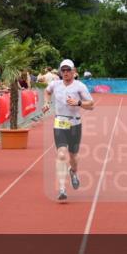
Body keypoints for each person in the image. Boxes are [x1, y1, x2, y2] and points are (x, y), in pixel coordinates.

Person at [42, 59, 95, 203]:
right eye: (63, 70)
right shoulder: (55, 84)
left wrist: (78, 103)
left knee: (73, 157)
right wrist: (46, 103)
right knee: (61, 154)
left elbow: (91, 105)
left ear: (73, 71)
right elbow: (47, 91)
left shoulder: (80, 86)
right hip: (59, 122)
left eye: (68, 70)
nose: (65, 73)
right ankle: (62, 188)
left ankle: (73, 171)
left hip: (75, 124)